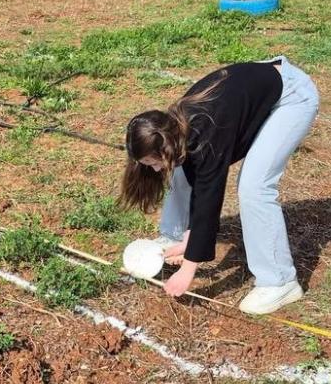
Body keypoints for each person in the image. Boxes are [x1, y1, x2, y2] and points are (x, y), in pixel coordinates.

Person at [120, 57, 320, 314]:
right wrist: (191, 239)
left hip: (292, 98)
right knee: (181, 170)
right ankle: (173, 238)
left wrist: (188, 269)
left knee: (254, 185)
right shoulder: (173, 128)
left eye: (152, 161)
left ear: (164, 147)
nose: (154, 169)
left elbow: (209, 196)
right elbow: (196, 179)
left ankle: (280, 281)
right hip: (254, 89)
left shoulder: (209, 132)